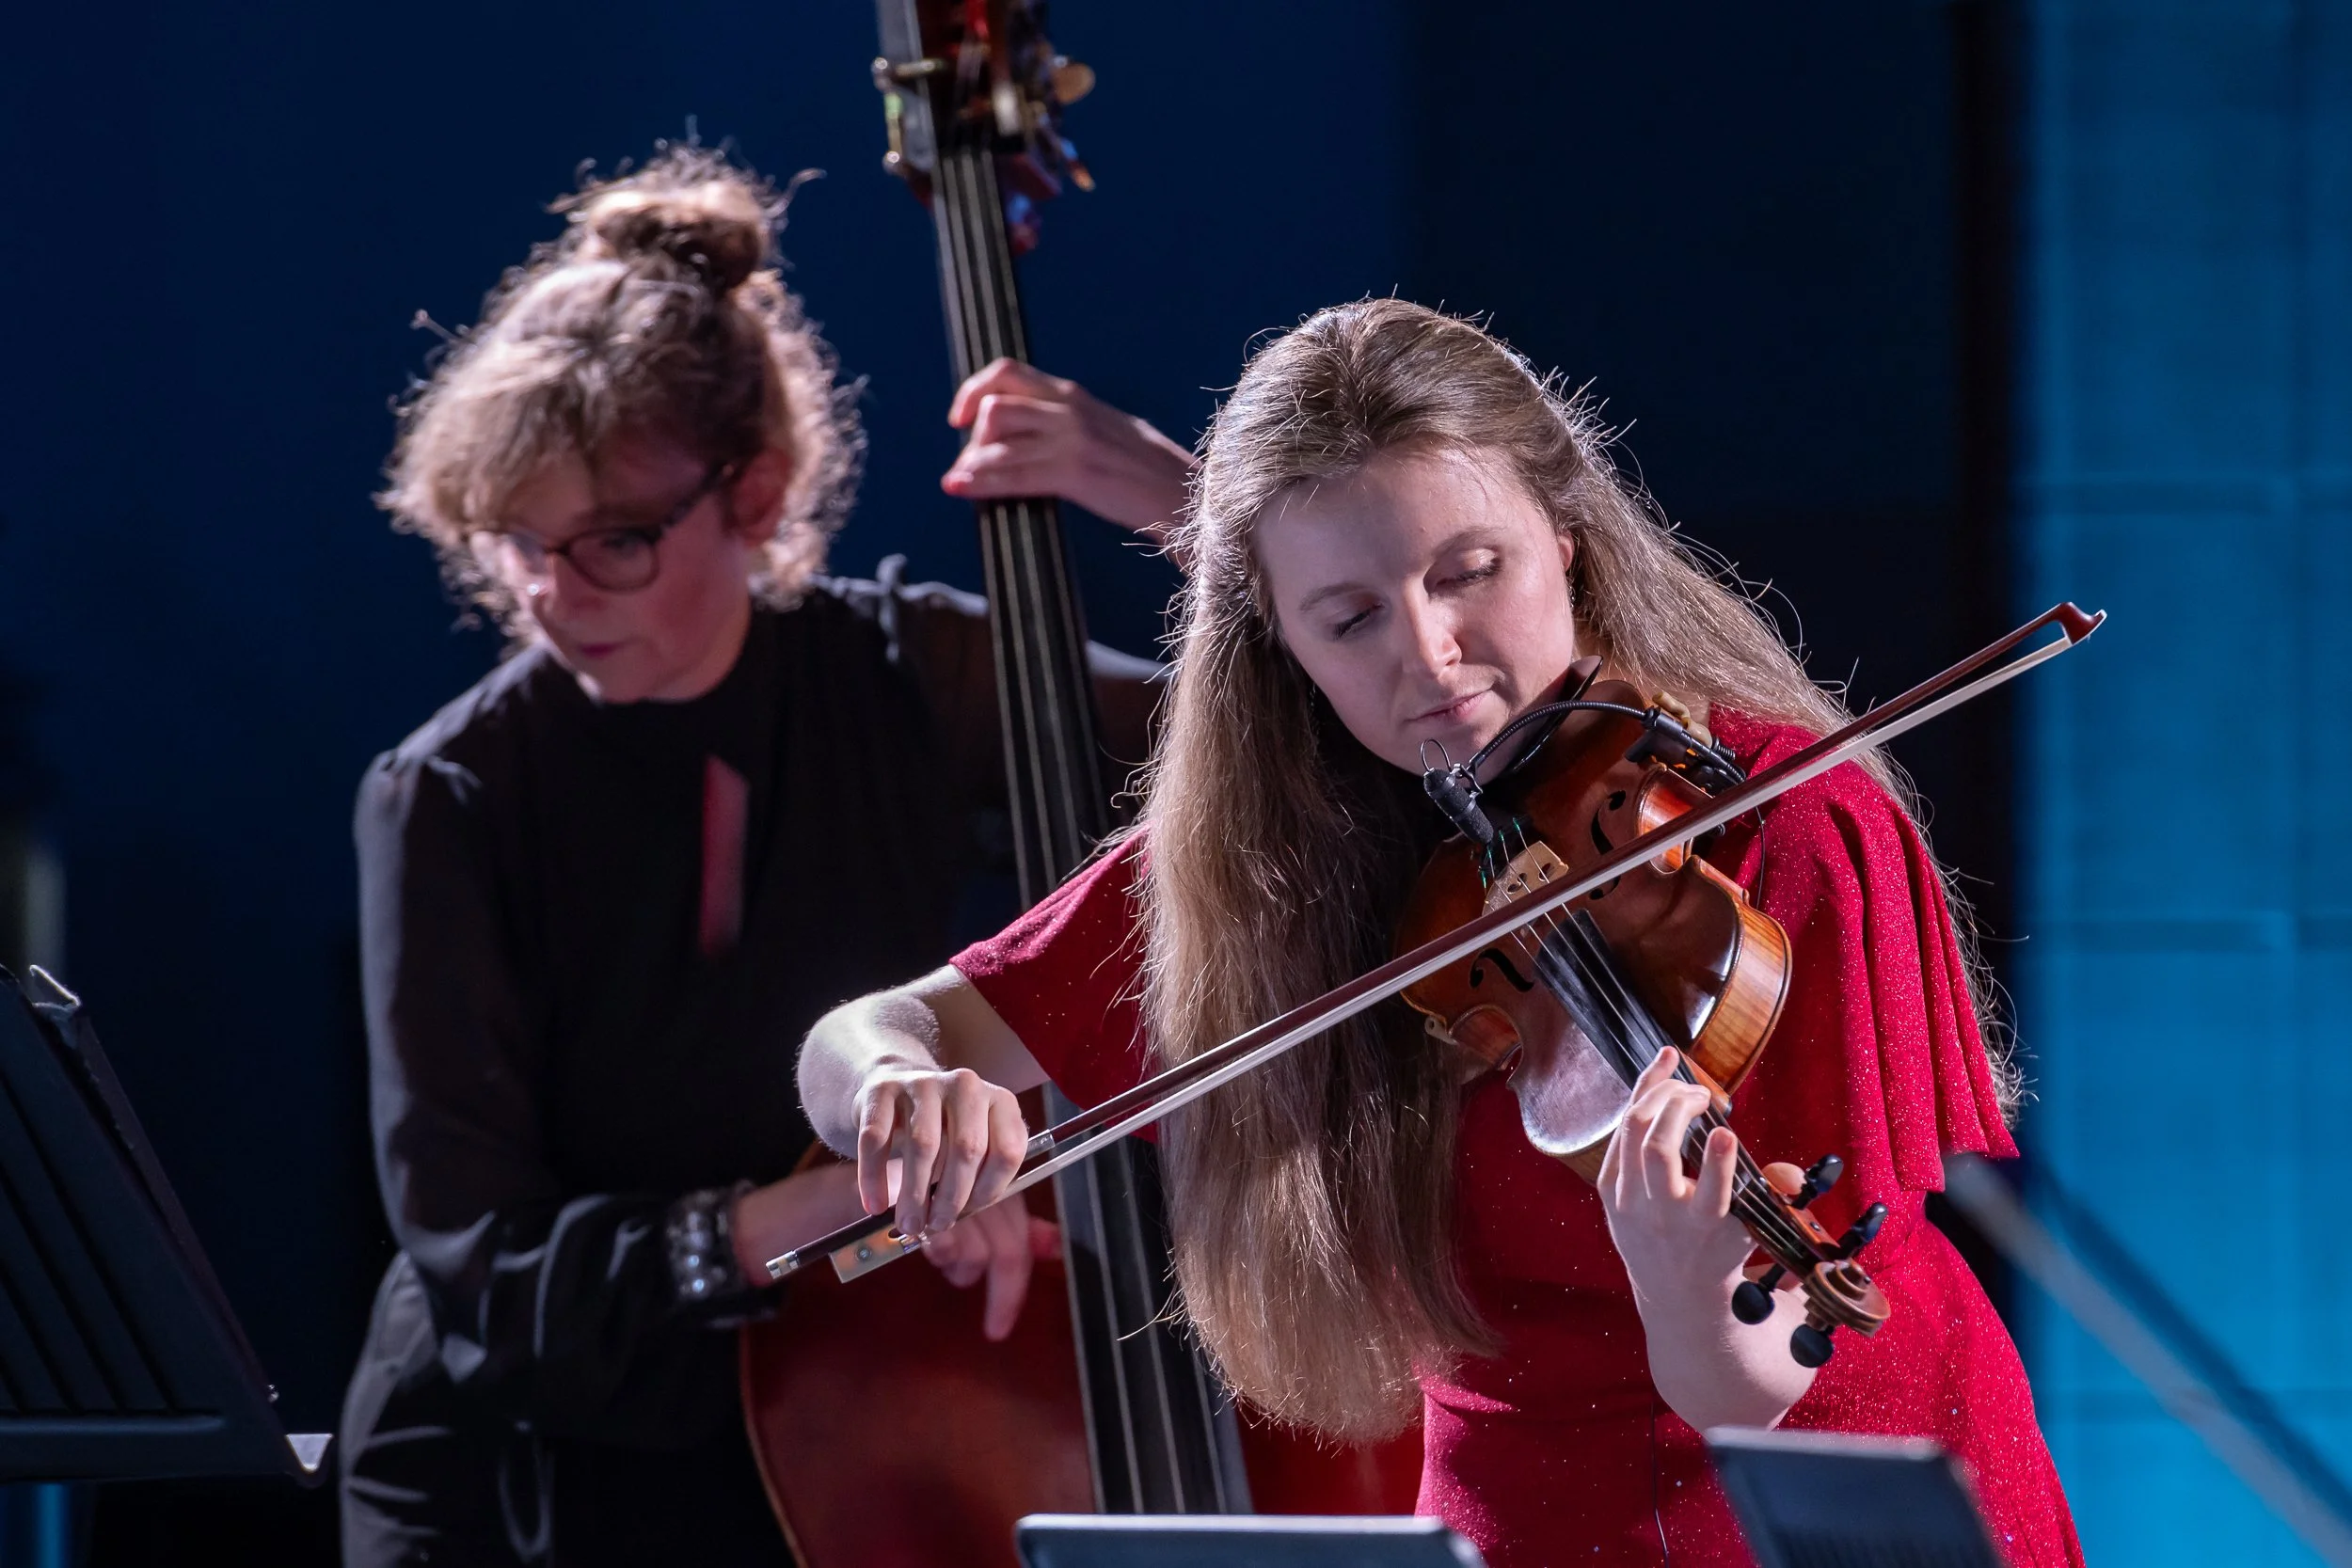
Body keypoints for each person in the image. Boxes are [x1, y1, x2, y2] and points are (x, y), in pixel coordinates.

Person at [798, 298, 2085, 1567]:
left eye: (1471, 571)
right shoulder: (1278, 857)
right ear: (1281, 638)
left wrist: (1679, 1280)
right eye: (1350, 618)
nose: (1431, 656)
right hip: (1515, 1518)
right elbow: (867, 1032)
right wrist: (897, 1086)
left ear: (1566, 534)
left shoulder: (1784, 822)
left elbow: (1758, 1388)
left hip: (1825, 1494)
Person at [339, 147, 1195, 1567]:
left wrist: (1177, 495)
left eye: (612, 539)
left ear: (758, 491)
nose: (552, 597)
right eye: (516, 544)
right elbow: (482, 1269)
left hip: (839, 1419)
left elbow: (1304, 743)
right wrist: (828, 1201)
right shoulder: (449, 794)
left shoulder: (906, 675)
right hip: (517, 1479)